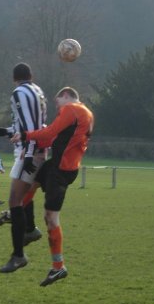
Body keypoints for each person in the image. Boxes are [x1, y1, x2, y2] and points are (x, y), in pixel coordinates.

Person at [14, 86, 94, 286]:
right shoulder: (85, 112)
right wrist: (30, 141)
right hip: (59, 165)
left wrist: (26, 135)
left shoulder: (72, 109)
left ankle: (58, 267)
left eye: (57, 100)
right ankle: (28, 227)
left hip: (61, 170)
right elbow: (54, 137)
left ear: (65, 96)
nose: (56, 105)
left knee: (51, 218)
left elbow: (50, 131)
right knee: (28, 185)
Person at [0, 62, 47, 273]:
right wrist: (7, 131)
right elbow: (34, 124)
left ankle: (18, 255)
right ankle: (30, 229)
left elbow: (28, 127)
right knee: (25, 195)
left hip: (29, 150)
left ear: (14, 78)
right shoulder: (37, 90)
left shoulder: (18, 92)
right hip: (40, 148)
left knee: (15, 200)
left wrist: (27, 153)